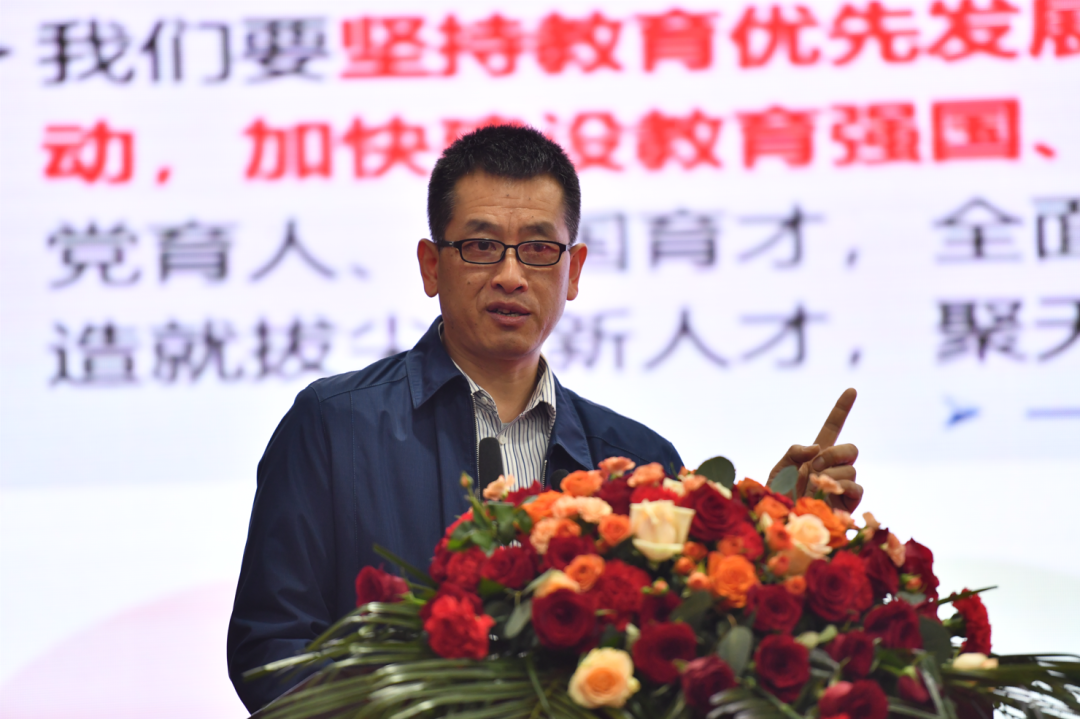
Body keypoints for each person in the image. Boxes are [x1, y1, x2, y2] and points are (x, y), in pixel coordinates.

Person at [226, 125, 860, 712]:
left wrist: (775, 534)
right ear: (431, 265)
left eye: (537, 249)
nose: (510, 276)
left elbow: (683, 663)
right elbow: (272, 648)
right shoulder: (335, 426)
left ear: (572, 270)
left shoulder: (639, 462)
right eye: (481, 246)